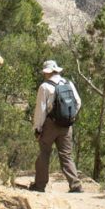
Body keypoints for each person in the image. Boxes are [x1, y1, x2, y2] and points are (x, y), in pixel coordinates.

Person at [30, 60, 83, 193]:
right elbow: (78, 102)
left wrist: (37, 128)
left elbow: (41, 110)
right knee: (66, 155)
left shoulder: (44, 87)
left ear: (47, 72)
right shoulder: (68, 83)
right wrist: (70, 116)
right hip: (67, 125)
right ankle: (75, 185)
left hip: (50, 125)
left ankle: (40, 185)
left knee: (44, 153)